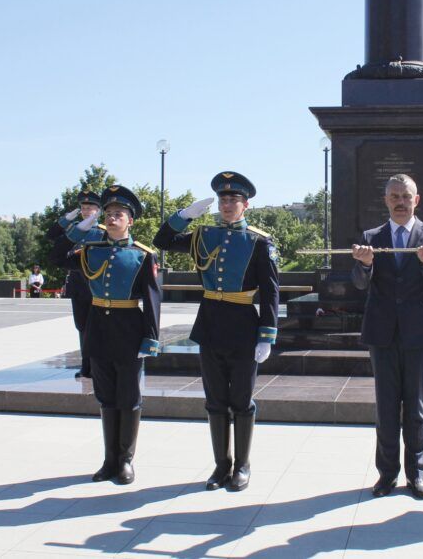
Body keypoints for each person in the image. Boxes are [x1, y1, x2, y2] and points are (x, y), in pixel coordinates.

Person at [153, 171, 279, 492]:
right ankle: (221, 466)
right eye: (223, 199)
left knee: (241, 400)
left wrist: (267, 334)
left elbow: (271, 291)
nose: (226, 204)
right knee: (215, 400)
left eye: (233, 200)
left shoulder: (258, 241)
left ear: (245, 205)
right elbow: (162, 241)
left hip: (243, 326)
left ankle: (242, 465)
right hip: (210, 324)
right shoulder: (203, 235)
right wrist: (184, 216)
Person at [49, 185, 160, 485]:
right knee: (106, 398)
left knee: (128, 397)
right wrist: (78, 228)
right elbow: (57, 256)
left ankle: (125, 461)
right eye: (108, 214)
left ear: (130, 221)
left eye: (119, 215)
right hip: (98, 330)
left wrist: (151, 338)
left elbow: (152, 301)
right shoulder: (90, 252)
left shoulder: (142, 256)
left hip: (129, 331)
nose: (112, 219)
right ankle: (109, 460)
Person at [351, 174, 423, 500]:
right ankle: (387, 475)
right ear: (386, 200)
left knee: (416, 408)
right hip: (382, 333)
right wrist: (364, 265)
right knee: (387, 408)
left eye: (406, 196)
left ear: (416, 199)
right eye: (394, 197)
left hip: (420, 333)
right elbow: (361, 284)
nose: (400, 202)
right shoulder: (371, 237)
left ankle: (416, 475)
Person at [47, 190, 105, 378]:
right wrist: (67, 218)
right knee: (82, 327)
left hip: (95, 284)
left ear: (98, 210)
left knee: (97, 328)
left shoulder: (102, 232)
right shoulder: (73, 230)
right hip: (77, 285)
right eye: (83, 208)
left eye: (90, 208)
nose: (86, 211)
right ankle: (86, 366)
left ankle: (98, 366)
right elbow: (51, 235)